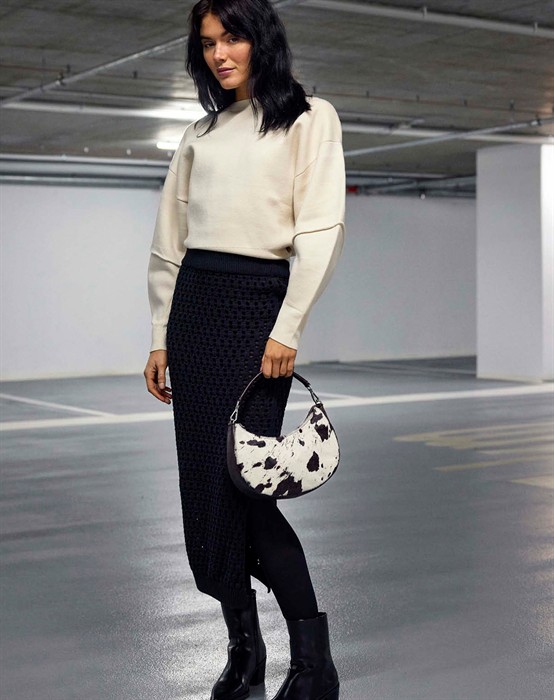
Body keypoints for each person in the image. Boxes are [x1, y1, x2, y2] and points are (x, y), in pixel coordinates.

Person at [143, 1, 345, 698]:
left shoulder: (308, 118)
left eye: (231, 38)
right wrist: (159, 335)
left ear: (261, 39)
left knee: (247, 488)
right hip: (195, 311)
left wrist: (288, 325)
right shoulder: (199, 134)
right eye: (207, 43)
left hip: (257, 310)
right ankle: (245, 652)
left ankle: (314, 664)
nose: (219, 54)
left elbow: (320, 228)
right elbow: (168, 245)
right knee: (205, 492)